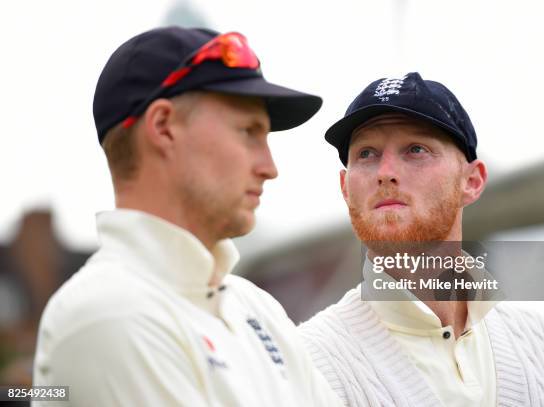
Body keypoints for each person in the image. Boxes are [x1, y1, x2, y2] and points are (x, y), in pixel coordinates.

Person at [32, 26, 342, 406]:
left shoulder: (254, 305)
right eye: (248, 131)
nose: (270, 167)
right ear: (163, 127)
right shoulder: (105, 312)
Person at [298, 72, 544, 406]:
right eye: (366, 153)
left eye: (416, 149)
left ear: (472, 181)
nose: (385, 171)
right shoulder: (306, 363)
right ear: (345, 187)